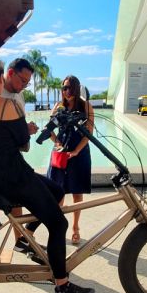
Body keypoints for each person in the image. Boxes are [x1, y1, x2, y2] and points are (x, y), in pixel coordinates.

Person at [0, 55, 94, 293]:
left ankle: (25, 238)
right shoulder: (10, 107)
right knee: (58, 224)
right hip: (17, 178)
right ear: (0, 77)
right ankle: (62, 286)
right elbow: (23, 143)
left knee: (57, 192)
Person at [0, 57, 39, 250]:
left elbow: (16, 124)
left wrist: (26, 129)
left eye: (27, 82)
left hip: (14, 156)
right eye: (22, 80)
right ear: (10, 73)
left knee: (17, 200)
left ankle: (20, 241)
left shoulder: (18, 94)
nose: (24, 86)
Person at [47, 74, 94, 245]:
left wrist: (76, 151)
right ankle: (59, 228)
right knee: (57, 191)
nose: (67, 91)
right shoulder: (59, 106)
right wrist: (57, 142)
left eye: (70, 88)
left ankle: (75, 227)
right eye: (64, 88)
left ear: (76, 88)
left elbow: (89, 133)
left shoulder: (86, 106)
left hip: (79, 151)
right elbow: (49, 129)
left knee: (77, 192)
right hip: (61, 152)